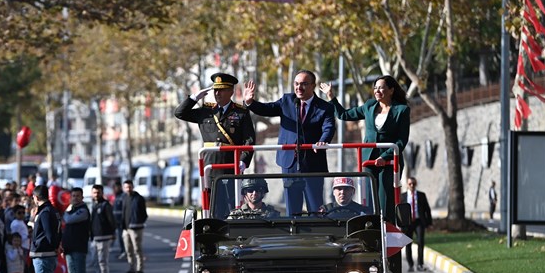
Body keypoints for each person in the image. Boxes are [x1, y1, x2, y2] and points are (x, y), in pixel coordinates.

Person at [320, 75, 410, 222]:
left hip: (389, 162)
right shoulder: (369, 106)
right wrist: (331, 96)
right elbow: (344, 115)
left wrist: (385, 156)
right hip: (368, 161)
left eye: (381, 87)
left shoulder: (402, 110)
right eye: (375, 88)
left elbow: (401, 140)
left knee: (385, 198)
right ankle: (370, 229)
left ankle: (386, 230)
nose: (377, 91)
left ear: (391, 90)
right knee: (369, 199)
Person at [244, 70, 335, 213]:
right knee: (292, 209)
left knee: (315, 208)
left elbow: (328, 127)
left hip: (313, 163)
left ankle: (316, 234)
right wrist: (250, 102)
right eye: (297, 84)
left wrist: (323, 141)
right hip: (289, 162)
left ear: (313, 86)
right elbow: (267, 109)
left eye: (304, 84)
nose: (299, 87)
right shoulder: (287, 100)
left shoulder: (325, 107)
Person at [175, 72, 255, 172]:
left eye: (221, 90)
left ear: (231, 91)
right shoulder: (205, 111)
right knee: (208, 188)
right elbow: (179, 113)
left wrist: (243, 161)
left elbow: (249, 140)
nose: (217, 93)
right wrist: (194, 98)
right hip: (209, 164)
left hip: (231, 164)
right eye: (216, 90)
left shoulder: (241, 113)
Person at [61, 187, 91, 273]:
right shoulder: (72, 209)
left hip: (79, 247)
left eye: (77, 196)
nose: (75, 198)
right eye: (73, 196)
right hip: (69, 247)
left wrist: (67, 210)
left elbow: (68, 219)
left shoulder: (83, 210)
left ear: (82, 197)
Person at [401, 177, 432, 272]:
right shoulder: (403, 196)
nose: (412, 186)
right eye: (410, 184)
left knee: (420, 242)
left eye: (413, 184)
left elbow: (427, 209)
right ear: (407, 184)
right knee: (408, 243)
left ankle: (420, 264)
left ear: (416, 184)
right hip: (408, 223)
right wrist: (401, 224)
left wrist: (429, 223)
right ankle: (410, 265)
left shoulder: (421, 195)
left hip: (419, 221)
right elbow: (400, 211)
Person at [118, 179, 148, 273]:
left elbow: (144, 214)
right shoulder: (124, 198)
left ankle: (140, 270)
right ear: (123, 188)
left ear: (133, 187)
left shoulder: (139, 198)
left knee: (137, 250)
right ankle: (131, 269)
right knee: (128, 250)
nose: (128, 189)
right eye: (126, 187)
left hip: (136, 228)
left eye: (129, 187)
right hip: (126, 229)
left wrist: (137, 222)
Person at [90, 184, 116, 273]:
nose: (96, 195)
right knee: (95, 262)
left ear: (102, 193)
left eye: (98, 192)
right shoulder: (93, 205)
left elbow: (111, 221)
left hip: (104, 238)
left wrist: (112, 234)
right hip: (94, 238)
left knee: (102, 262)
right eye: (94, 192)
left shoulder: (106, 205)